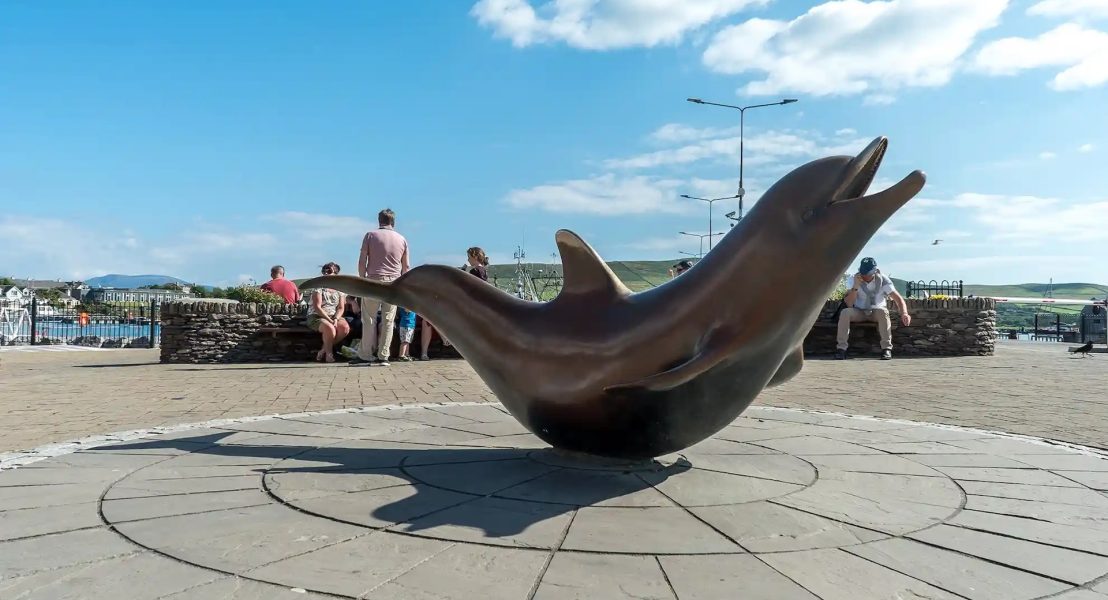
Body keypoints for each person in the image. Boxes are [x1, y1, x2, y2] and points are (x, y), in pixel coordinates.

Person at [352, 208, 409, 367]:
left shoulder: (370, 235)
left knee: (369, 318)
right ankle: (384, 355)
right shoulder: (402, 239)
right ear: (393, 221)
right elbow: (406, 267)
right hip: (393, 283)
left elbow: (362, 261)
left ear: (379, 220)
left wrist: (362, 279)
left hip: (373, 281)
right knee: (388, 320)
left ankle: (366, 354)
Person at [836, 257, 911, 360]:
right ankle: (841, 349)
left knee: (883, 312)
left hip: (876, 311)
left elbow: (898, 299)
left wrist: (904, 313)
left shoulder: (883, 280)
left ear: (874, 271)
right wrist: (856, 286)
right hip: (859, 311)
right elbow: (849, 303)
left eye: (868, 273)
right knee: (845, 312)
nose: (865, 276)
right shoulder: (853, 279)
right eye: (863, 273)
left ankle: (886, 349)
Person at [306, 262, 349, 363]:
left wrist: (336, 319)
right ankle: (329, 354)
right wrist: (329, 320)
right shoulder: (318, 287)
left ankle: (323, 350)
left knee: (344, 328)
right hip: (317, 316)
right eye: (325, 271)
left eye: (330, 271)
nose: (327, 273)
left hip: (334, 315)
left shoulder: (340, 289)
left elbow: (341, 307)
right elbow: (317, 307)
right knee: (330, 328)